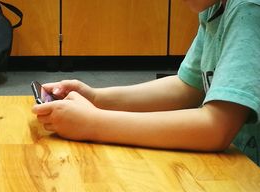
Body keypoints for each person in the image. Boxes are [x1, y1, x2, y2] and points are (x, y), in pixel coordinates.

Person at [32, 0, 260, 165]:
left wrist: (94, 123)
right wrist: (96, 98)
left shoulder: (248, 9)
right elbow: (187, 87)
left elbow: (215, 128)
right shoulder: (214, 7)